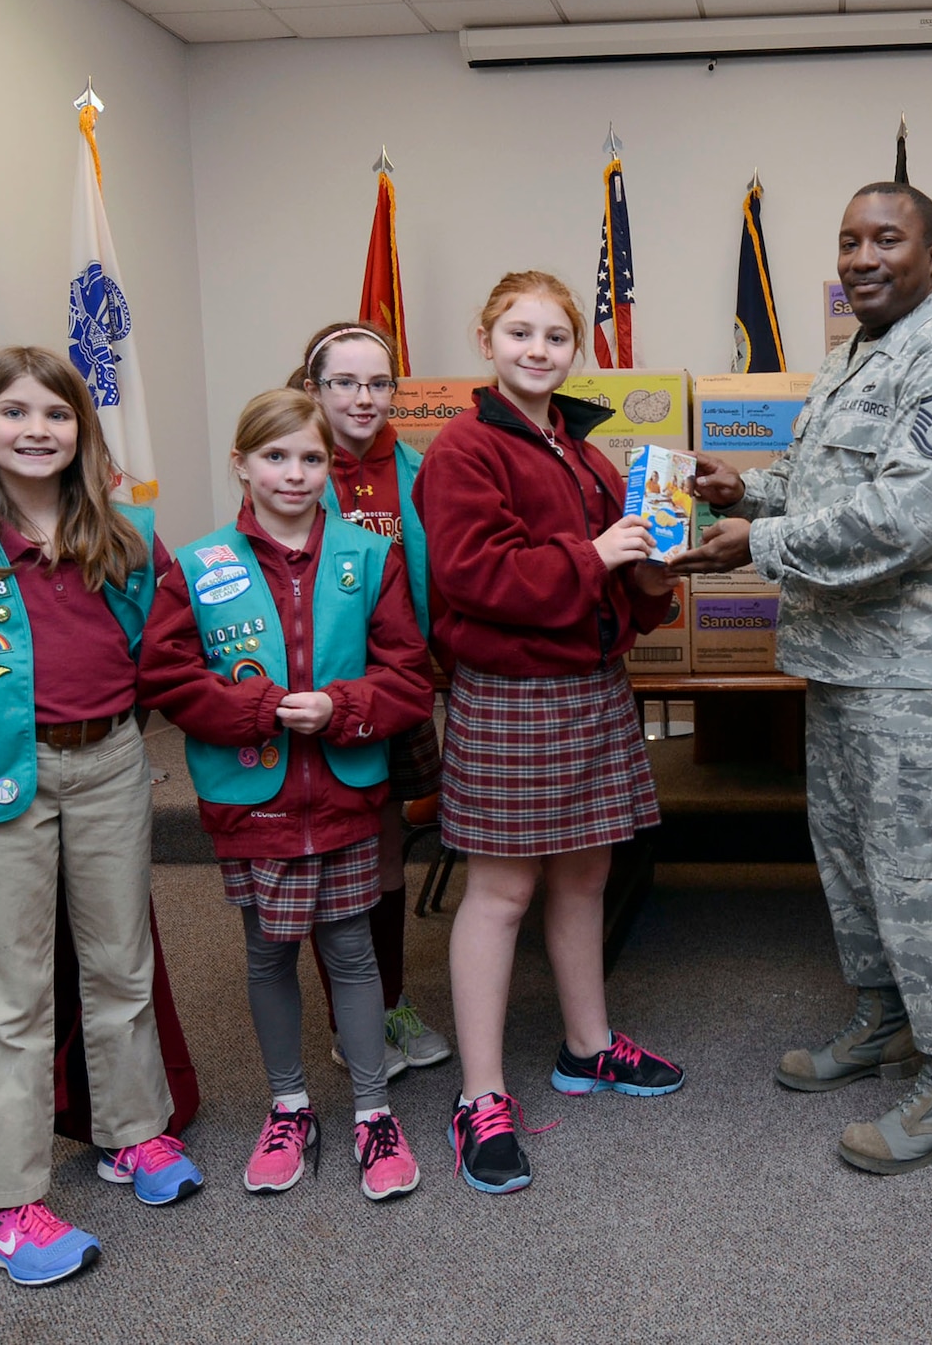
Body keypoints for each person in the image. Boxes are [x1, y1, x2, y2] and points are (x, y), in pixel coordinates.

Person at [674, 183, 932, 1175]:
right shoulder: (853, 357)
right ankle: (882, 1019)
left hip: (923, 677)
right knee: (856, 864)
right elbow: (834, 490)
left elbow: (900, 518)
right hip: (843, 667)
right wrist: (748, 490)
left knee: (928, 879)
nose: (861, 258)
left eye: (885, 240)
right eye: (847, 242)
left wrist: (758, 540)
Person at [0, 346, 200, 1287]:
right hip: (0, 780)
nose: (36, 430)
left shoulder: (126, 535)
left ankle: (130, 1134)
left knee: (118, 963)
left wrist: (120, 743)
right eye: (14, 412)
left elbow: (159, 649)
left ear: (81, 430)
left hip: (106, 763)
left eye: (56, 415)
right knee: (6, 991)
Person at [412, 271, 684, 1196]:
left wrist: (649, 573)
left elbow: (617, 572)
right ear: (486, 337)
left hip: (593, 686)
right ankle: (480, 1096)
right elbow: (473, 575)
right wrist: (597, 555)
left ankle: (588, 1046)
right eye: (520, 332)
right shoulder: (463, 449)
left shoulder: (584, 449)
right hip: (513, 693)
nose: (538, 349)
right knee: (500, 893)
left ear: (577, 348)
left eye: (556, 336)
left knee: (587, 872)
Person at [139, 389, 433, 1202]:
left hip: (342, 794)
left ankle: (374, 1110)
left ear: (328, 468)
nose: (294, 474)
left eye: (310, 459)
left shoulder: (367, 558)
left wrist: (344, 707)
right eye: (275, 457)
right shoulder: (197, 566)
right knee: (266, 951)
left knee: (350, 950)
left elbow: (406, 676)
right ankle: (290, 1105)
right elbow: (166, 675)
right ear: (241, 465)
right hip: (252, 799)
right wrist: (261, 708)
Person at [288, 321, 451, 1077]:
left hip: (394, 691)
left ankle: (389, 1006)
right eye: (344, 382)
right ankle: (343, 1021)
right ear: (312, 389)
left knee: (386, 854)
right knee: (335, 856)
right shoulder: (293, 469)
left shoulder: (419, 469)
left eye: (378, 383)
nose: (363, 397)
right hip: (316, 698)